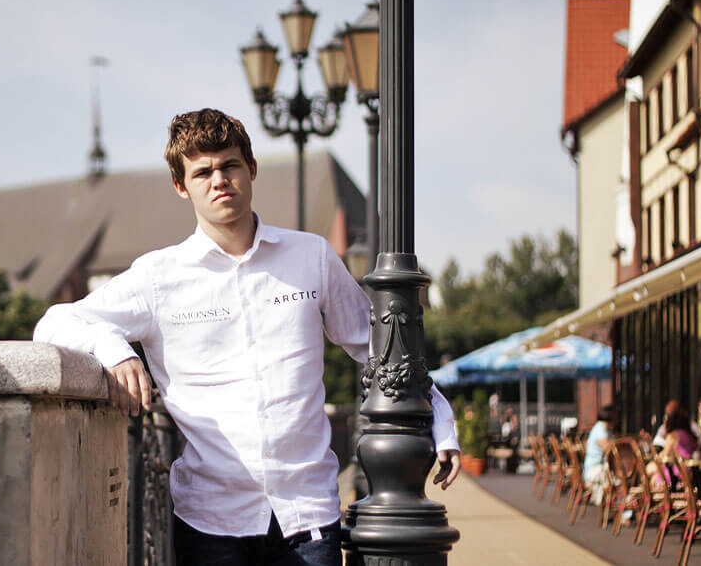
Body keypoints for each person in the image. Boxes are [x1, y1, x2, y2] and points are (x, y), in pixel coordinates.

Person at [33, 109, 460, 566]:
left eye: (229, 165)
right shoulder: (159, 277)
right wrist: (115, 351)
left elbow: (381, 351)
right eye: (202, 172)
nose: (219, 180)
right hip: (210, 522)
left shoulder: (311, 256)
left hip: (308, 515)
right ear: (181, 186)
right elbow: (54, 322)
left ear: (251, 169)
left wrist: (439, 419)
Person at [583, 404, 618, 505]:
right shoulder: (601, 430)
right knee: (624, 477)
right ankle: (622, 505)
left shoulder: (602, 428)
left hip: (594, 468)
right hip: (595, 469)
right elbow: (610, 450)